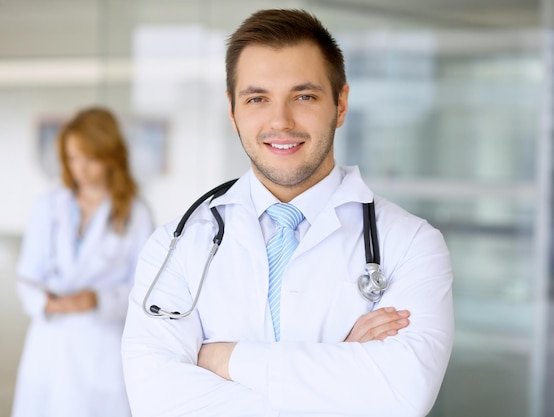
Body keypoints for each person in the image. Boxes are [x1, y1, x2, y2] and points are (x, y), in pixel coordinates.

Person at [121, 8, 453, 417]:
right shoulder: (177, 243)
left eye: (304, 96)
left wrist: (224, 359)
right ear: (233, 110)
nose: (280, 120)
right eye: (257, 98)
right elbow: (156, 400)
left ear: (341, 103)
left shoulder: (411, 243)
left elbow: (403, 396)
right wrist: (339, 367)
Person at [12, 107, 154, 417]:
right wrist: (46, 303)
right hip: (48, 338)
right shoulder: (50, 205)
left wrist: (97, 299)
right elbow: (27, 275)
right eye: (73, 158)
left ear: (111, 155)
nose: (81, 169)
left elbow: (145, 290)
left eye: (90, 158)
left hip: (101, 341)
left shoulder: (135, 213)